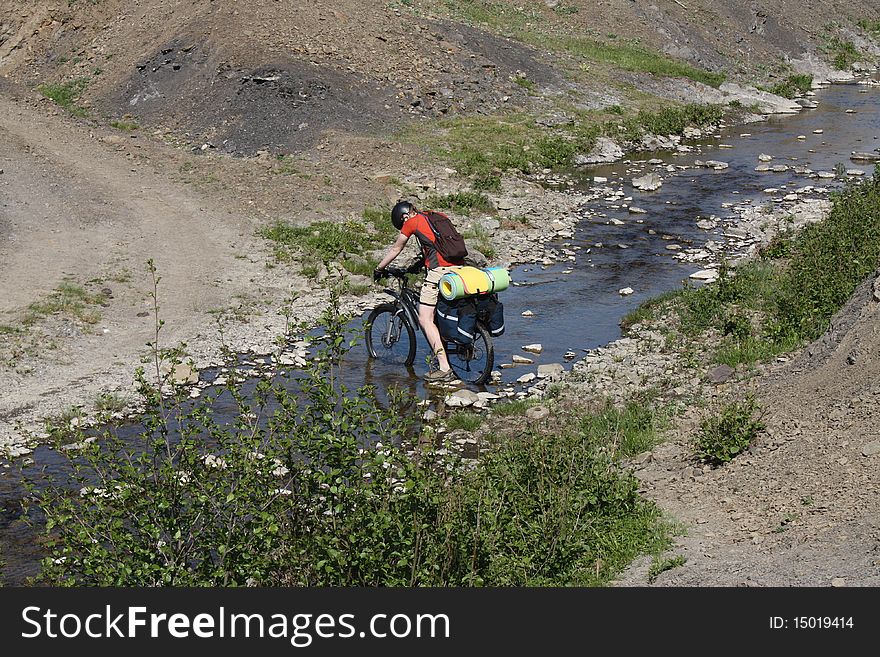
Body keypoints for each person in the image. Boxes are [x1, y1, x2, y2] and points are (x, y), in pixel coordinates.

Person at [374, 200, 463, 382]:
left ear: (404, 216)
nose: (404, 224)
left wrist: (379, 268)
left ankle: (445, 368)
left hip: (440, 271)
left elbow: (396, 248)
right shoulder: (436, 216)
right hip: (460, 268)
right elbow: (436, 245)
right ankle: (445, 350)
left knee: (424, 318)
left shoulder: (411, 222)